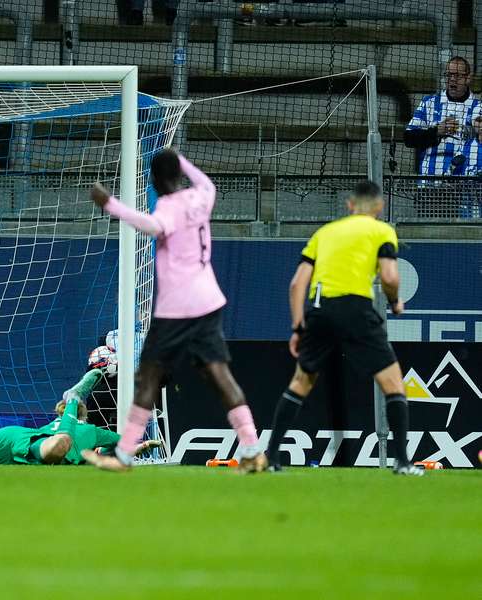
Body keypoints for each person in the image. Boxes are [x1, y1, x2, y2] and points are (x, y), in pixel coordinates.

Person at [82, 148, 267, 473]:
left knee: (148, 376)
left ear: (154, 179)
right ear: (180, 171)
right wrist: (182, 161)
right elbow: (207, 182)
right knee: (220, 375)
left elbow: (151, 226)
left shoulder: (167, 207)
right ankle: (253, 448)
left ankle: (124, 456)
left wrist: (109, 204)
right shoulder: (201, 196)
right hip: (208, 302)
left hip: (176, 308)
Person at [263, 180, 423, 476]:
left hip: (320, 310)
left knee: (300, 383)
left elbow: (297, 283)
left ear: (349, 205)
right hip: (356, 309)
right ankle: (403, 463)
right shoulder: (382, 230)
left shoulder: (324, 233)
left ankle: (271, 458)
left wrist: (298, 326)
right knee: (393, 384)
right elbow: (389, 276)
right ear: (379, 206)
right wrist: (395, 302)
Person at [0, 367, 160, 465]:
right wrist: (138, 447)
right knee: (60, 446)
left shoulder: (69, 430)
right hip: (41, 445)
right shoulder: (90, 431)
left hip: (10, 437)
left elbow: (107, 453)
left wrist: (136, 449)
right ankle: (75, 396)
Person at [405, 56, 482, 217]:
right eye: (449, 75)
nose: (452, 80)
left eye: (458, 75)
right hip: (429, 186)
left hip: (463, 189)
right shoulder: (429, 103)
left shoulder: (478, 108)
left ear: (468, 78)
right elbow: (409, 138)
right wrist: (437, 131)